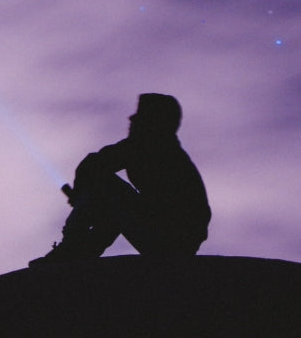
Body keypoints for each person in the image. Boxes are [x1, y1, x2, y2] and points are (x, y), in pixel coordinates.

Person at [31, 93, 211, 264]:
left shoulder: (150, 146)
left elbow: (93, 165)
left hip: (170, 240)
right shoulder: (159, 148)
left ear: (153, 122)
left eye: (140, 116)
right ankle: (80, 251)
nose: (131, 119)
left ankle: (72, 248)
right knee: (112, 200)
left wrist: (80, 196)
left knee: (105, 187)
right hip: (172, 237)